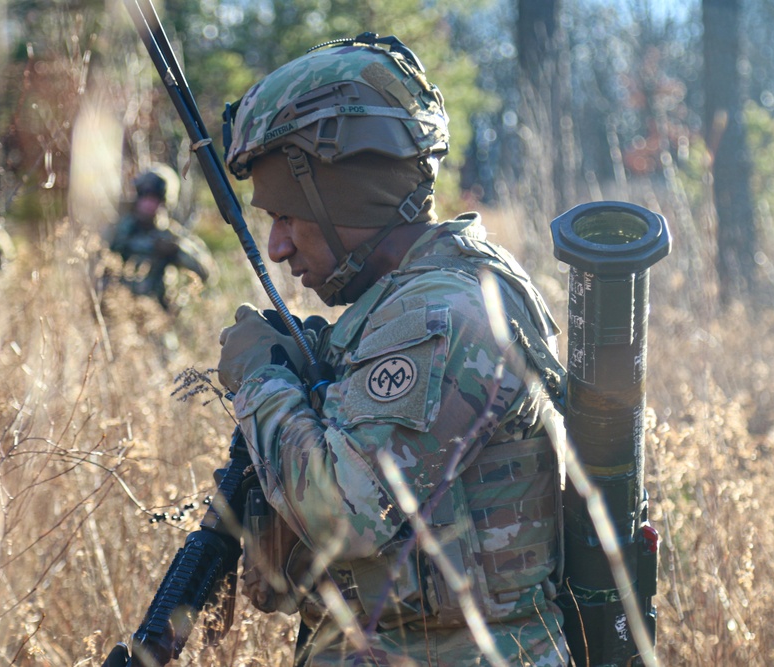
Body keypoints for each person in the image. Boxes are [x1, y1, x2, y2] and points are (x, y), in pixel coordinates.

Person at [215, 34, 569, 666]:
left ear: (346, 198)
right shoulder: (405, 306)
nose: (277, 248)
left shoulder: (439, 317)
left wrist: (261, 382)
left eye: (288, 216)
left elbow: (340, 515)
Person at [106, 165, 212, 310]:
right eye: (145, 196)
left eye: (155, 198)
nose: (148, 204)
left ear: (165, 202)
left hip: (157, 315)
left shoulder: (172, 236)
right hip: (119, 313)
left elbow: (206, 271)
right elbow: (95, 265)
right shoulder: (120, 231)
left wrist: (177, 251)